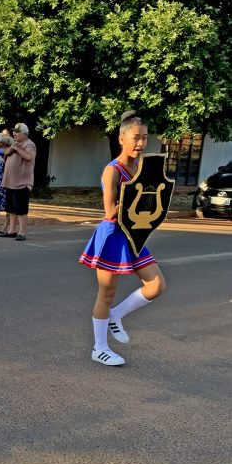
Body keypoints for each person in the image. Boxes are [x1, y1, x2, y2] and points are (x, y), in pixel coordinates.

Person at [79, 111, 167, 367]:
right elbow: (109, 211)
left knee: (157, 285)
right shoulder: (112, 171)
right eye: (136, 138)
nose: (141, 144)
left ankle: (115, 316)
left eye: (145, 138)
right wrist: (137, 196)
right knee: (106, 293)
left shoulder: (141, 168)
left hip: (134, 235)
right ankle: (100, 348)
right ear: (122, 139)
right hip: (113, 236)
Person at [0, 123, 36, 241]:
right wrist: (10, 150)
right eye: (14, 132)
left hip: (21, 182)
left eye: (17, 132)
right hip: (11, 181)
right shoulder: (16, 144)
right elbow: (5, 154)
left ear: (24, 134)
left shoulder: (29, 144)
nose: (14, 134)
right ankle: (12, 231)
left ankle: (22, 232)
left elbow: (29, 157)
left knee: (21, 209)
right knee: (11, 208)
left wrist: (16, 148)